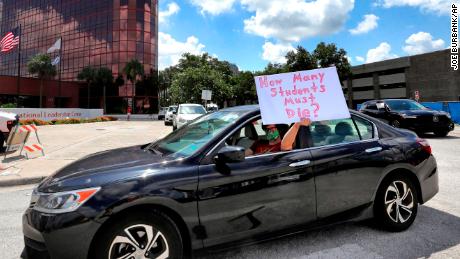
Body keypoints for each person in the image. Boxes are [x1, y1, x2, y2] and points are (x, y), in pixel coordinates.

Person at [245, 118, 311, 156]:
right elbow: (246, 154)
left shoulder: (283, 144)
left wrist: (297, 125)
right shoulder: (259, 143)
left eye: (272, 129)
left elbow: (286, 146)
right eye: (266, 129)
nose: (269, 131)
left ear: (279, 130)